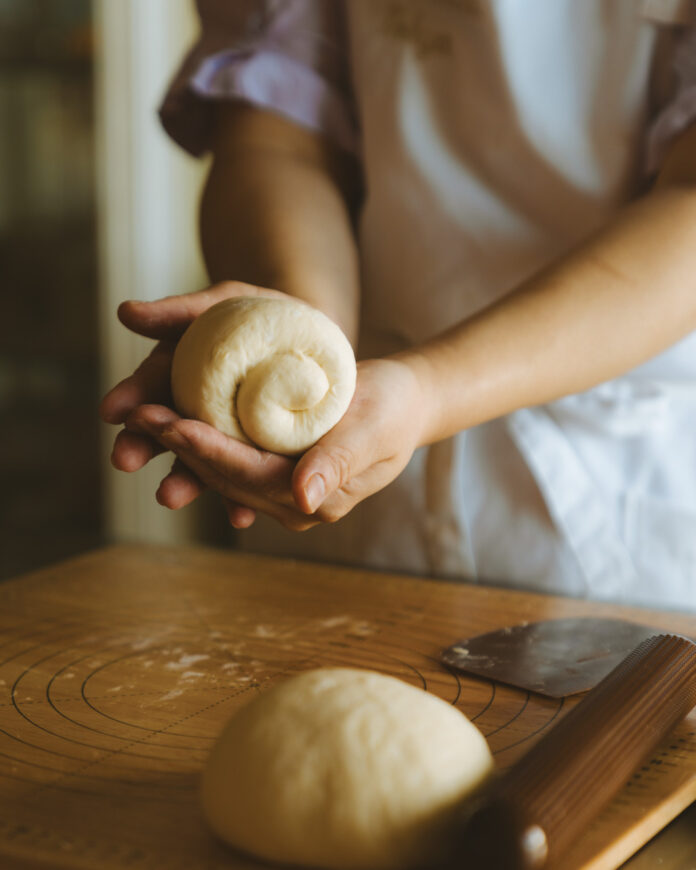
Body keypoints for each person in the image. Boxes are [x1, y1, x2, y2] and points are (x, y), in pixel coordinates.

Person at [100, 0, 696, 610]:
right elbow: (280, 138)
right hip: (358, 472)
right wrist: (299, 329)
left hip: (614, 496)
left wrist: (433, 391)